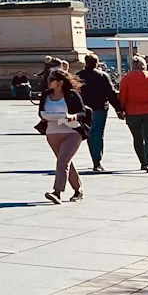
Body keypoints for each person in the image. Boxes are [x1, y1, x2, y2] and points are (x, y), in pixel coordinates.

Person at [36, 70, 88, 204]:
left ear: (60, 82)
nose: (48, 82)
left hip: (72, 132)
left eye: (51, 79)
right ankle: (78, 190)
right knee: (64, 162)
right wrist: (44, 116)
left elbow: (83, 112)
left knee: (62, 161)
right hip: (52, 132)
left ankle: (57, 192)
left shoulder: (71, 95)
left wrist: (73, 116)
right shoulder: (46, 95)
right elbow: (41, 113)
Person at [118, 56, 148, 174]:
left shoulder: (126, 79)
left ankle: (142, 162)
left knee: (137, 138)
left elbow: (123, 96)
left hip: (133, 112)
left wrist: (121, 109)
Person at [76, 55, 117, 174]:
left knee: (90, 133)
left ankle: (94, 157)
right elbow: (111, 93)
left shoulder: (79, 75)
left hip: (85, 109)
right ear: (97, 63)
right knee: (98, 134)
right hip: (100, 107)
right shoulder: (103, 75)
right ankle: (97, 161)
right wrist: (118, 109)